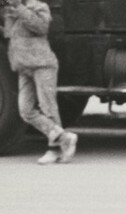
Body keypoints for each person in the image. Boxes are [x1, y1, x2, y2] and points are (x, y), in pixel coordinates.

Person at [1, 0, 77, 164]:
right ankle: (64, 137)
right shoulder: (11, 12)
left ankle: (54, 150)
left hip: (43, 65)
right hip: (23, 67)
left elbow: (41, 27)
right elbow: (8, 34)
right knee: (26, 110)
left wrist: (19, 9)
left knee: (48, 107)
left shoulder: (39, 7)